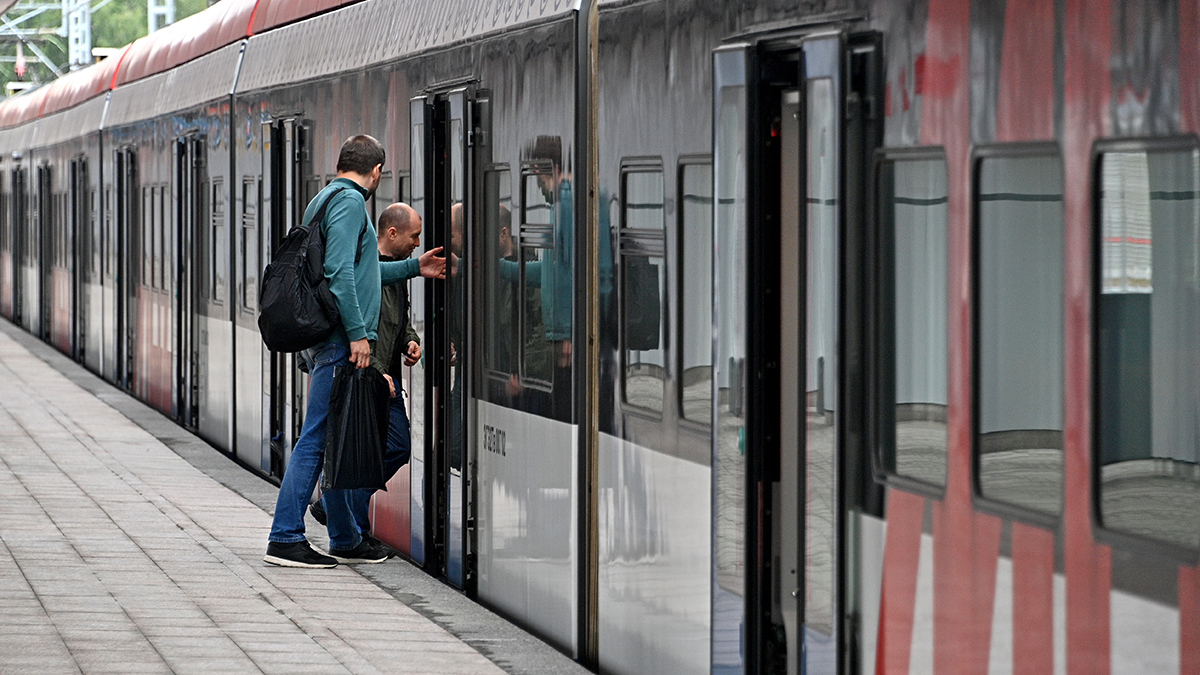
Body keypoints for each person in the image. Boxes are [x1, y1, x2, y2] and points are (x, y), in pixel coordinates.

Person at [264, 135, 446, 569]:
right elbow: (341, 273)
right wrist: (359, 334)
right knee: (316, 441)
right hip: (337, 343)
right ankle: (285, 536)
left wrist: (412, 268)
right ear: (377, 170)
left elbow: (362, 267)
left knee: (336, 440)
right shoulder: (348, 203)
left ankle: (344, 538)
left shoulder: (325, 198)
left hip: (330, 340)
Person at [308, 202, 425, 542]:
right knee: (374, 450)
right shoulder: (367, 270)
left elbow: (394, 320)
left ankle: (340, 512)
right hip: (367, 374)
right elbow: (356, 325)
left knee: (389, 448)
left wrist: (410, 339)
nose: (417, 243)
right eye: (414, 236)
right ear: (392, 233)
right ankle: (349, 522)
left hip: (385, 376)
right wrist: (375, 369)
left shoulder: (394, 271)